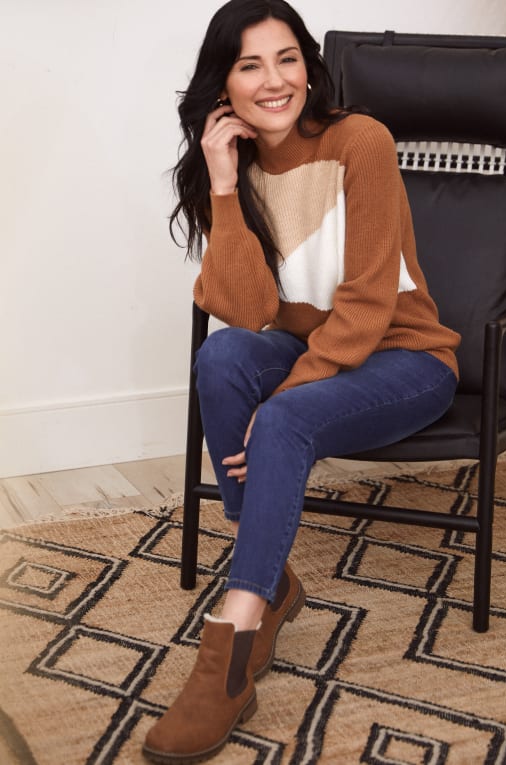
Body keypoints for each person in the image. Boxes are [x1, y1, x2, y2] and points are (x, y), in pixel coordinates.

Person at [143, 0, 460, 761]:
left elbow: (369, 304)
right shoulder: (236, 165)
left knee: (281, 419)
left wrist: (285, 399)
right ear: (224, 86)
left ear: (309, 69)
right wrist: (224, 184)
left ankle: (233, 639)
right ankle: (274, 579)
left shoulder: (361, 141)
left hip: (408, 358)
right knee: (221, 358)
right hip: (313, 352)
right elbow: (246, 311)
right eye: (250, 65)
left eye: (287, 59)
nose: (274, 80)